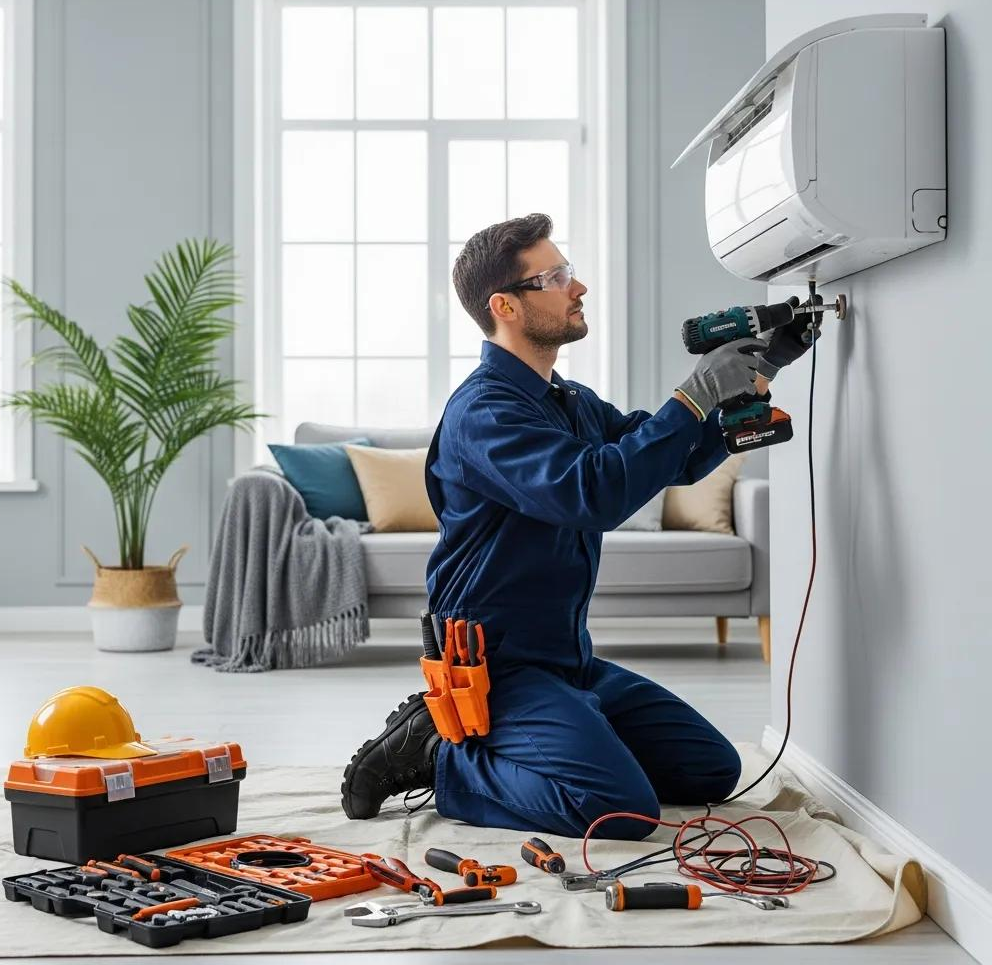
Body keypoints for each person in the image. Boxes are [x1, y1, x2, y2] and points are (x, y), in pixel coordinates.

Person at [340, 213, 818, 839]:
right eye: (557, 276)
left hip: (570, 661)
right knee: (622, 811)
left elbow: (663, 458)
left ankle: (570, 732)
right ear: (505, 305)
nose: (578, 286)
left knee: (711, 769)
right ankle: (441, 755)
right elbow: (594, 492)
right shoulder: (484, 414)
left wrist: (754, 377)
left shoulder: (569, 400)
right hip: (498, 669)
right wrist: (694, 395)